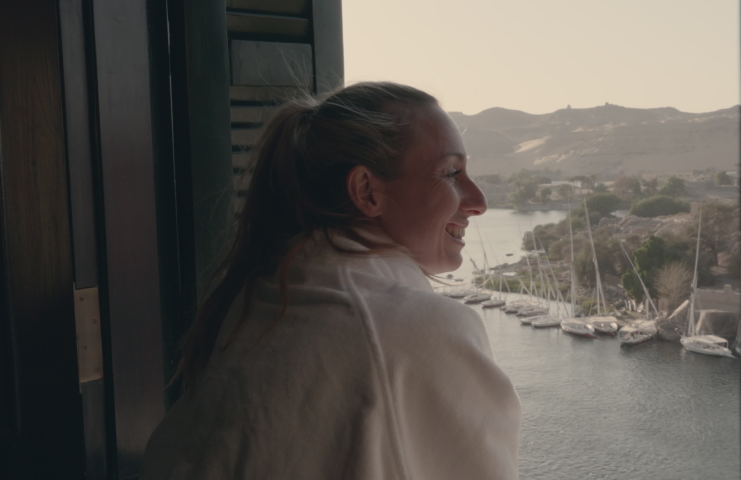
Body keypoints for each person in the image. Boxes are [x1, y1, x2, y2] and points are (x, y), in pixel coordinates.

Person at [140, 82, 521, 479]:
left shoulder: (256, 301)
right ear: (366, 191)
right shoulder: (414, 329)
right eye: (451, 173)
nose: (478, 201)